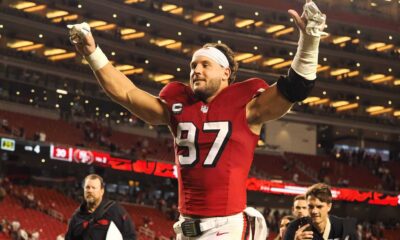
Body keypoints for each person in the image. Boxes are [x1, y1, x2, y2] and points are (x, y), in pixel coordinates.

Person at [67, 0, 326, 238]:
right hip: (186, 226)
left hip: (225, 227)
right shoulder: (178, 104)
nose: (196, 70)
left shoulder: (247, 106)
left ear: (226, 73)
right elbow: (127, 94)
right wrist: (93, 53)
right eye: (193, 66)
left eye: (205, 65)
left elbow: (295, 89)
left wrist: (309, 43)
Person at [65, 174, 136, 240]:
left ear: (102, 191)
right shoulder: (76, 216)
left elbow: (130, 236)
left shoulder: (115, 210)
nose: (90, 190)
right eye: (87, 187)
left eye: (93, 188)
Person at [284, 183, 357, 240]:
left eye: (319, 206)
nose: (314, 211)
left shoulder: (344, 228)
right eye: (310, 206)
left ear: (329, 206)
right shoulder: (294, 227)